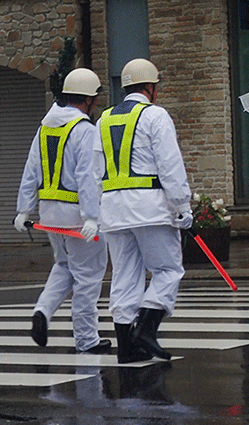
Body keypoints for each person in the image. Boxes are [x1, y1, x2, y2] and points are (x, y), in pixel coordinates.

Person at [93, 58, 193, 364]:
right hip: (150, 207)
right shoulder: (155, 116)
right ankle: (147, 329)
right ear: (151, 87)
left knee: (124, 276)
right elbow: (170, 165)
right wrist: (182, 207)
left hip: (113, 209)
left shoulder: (104, 120)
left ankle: (127, 347)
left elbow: (96, 170)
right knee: (168, 269)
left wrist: (98, 211)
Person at [14, 67, 111, 354]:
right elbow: (88, 177)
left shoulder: (44, 128)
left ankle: (43, 311)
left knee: (64, 266)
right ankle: (86, 339)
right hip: (78, 217)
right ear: (89, 100)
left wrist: (23, 210)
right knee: (89, 277)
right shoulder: (85, 131)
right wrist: (92, 217)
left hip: (49, 215)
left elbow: (31, 170)